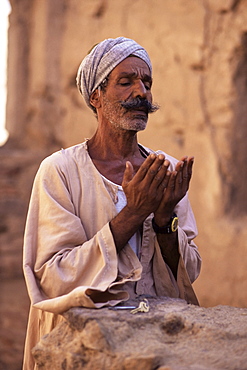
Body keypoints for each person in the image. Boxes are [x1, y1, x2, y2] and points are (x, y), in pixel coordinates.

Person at [23, 37, 201, 369]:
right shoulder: (60, 171)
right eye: (126, 81)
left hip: (155, 344)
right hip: (82, 347)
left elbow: (188, 274)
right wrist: (134, 212)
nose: (141, 93)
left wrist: (164, 219)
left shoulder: (166, 171)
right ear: (96, 97)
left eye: (146, 83)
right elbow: (52, 275)